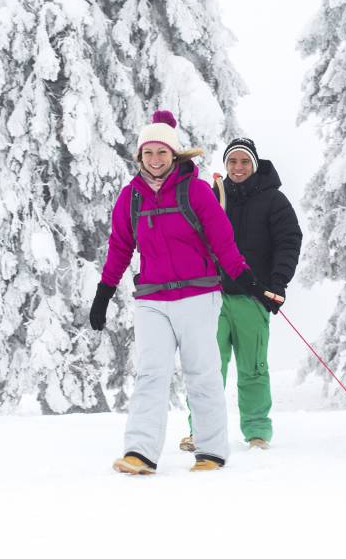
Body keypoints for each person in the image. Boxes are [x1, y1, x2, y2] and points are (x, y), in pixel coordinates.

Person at [89, 110, 278, 475]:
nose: (155, 160)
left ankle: (211, 450)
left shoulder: (195, 191)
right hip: (152, 299)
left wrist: (249, 281)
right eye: (148, 153)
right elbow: (120, 246)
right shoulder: (131, 197)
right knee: (150, 374)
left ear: (174, 155)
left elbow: (223, 240)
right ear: (140, 157)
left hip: (197, 295)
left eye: (162, 152)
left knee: (202, 372)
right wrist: (104, 291)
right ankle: (140, 452)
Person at [179, 138, 301, 452]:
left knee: (253, 368)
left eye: (244, 162)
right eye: (232, 161)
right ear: (225, 165)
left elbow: (289, 241)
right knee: (207, 369)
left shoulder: (274, 200)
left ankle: (257, 431)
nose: (238, 167)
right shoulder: (212, 197)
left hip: (253, 297)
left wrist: (277, 283)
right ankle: (201, 431)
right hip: (213, 297)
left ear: (254, 165)